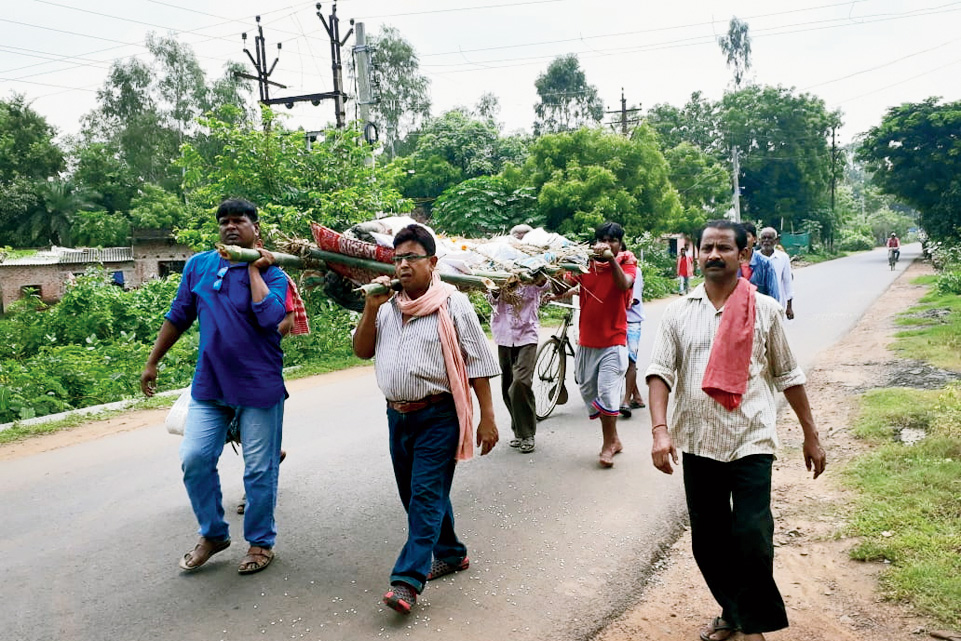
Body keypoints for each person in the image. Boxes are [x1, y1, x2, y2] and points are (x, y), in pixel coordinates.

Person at [645, 219, 827, 641]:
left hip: (751, 439)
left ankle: (753, 627)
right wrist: (659, 430)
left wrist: (811, 433)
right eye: (706, 248)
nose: (713, 255)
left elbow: (788, 374)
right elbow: (659, 374)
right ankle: (734, 611)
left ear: (743, 254)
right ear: (697, 255)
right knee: (707, 543)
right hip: (697, 440)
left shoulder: (765, 309)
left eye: (723, 248)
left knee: (751, 534)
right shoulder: (677, 311)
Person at [352, 223, 500, 615]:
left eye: (411, 257)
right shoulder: (384, 305)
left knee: (424, 496)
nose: (403, 265)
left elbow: (479, 365)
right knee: (416, 495)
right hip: (397, 416)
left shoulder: (453, 304)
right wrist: (370, 307)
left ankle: (407, 581)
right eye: (397, 258)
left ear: (432, 262)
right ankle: (451, 553)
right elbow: (362, 350)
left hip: (439, 415)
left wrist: (487, 417)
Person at [141, 198, 289, 576]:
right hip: (210, 385)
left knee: (258, 469)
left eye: (239, 220)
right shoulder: (199, 266)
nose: (230, 227)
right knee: (194, 459)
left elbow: (271, 317)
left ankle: (260, 542)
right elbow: (179, 316)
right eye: (224, 221)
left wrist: (254, 270)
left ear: (256, 226)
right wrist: (153, 361)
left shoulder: (274, 272)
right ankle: (213, 533)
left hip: (258, 387)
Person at [558, 222, 637, 468]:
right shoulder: (584, 264)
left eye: (612, 240)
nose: (606, 244)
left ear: (620, 244)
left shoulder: (626, 262)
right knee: (587, 390)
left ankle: (607, 445)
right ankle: (614, 438)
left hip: (614, 341)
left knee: (606, 392)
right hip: (587, 341)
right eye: (602, 239)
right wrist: (549, 274)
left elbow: (624, 284)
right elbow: (564, 285)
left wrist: (611, 258)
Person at [488, 272, 549, 454]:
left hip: (527, 336)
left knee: (520, 382)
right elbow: (491, 299)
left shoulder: (531, 272)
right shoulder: (497, 272)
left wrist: (540, 278)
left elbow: (545, 285)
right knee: (507, 385)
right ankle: (519, 429)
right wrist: (497, 288)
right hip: (504, 336)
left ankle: (528, 433)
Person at [620, 267, 646, 417]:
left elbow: (632, 300)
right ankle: (637, 397)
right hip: (617, 321)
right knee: (621, 361)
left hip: (632, 322)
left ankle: (626, 401)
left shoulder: (634, 271)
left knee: (630, 361)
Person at [757, 227, 795, 320]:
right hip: (758, 305)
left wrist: (789, 307)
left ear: (776, 240)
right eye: (764, 238)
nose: (766, 241)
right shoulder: (754, 258)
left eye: (770, 238)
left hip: (777, 304)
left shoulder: (783, 258)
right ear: (759, 240)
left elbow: (787, 282)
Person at [739, 222, 780, 301]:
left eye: (747, 236)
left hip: (760, 311)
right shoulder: (731, 263)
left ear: (754, 239)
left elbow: (773, 294)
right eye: (740, 237)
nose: (743, 240)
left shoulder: (765, 264)